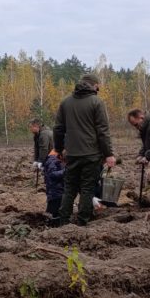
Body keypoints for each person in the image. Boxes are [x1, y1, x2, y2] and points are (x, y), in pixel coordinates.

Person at [53, 74, 116, 226]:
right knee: (87, 189)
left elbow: (58, 129)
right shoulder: (97, 102)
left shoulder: (66, 102)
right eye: (98, 86)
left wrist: (59, 149)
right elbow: (103, 131)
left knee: (69, 189)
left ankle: (64, 222)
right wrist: (108, 154)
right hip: (92, 155)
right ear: (94, 86)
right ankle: (82, 222)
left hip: (72, 154)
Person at [43, 149, 65, 220]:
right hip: (54, 191)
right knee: (52, 212)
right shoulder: (52, 161)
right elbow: (52, 174)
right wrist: (65, 171)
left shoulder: (56, 159)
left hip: (59, 190)